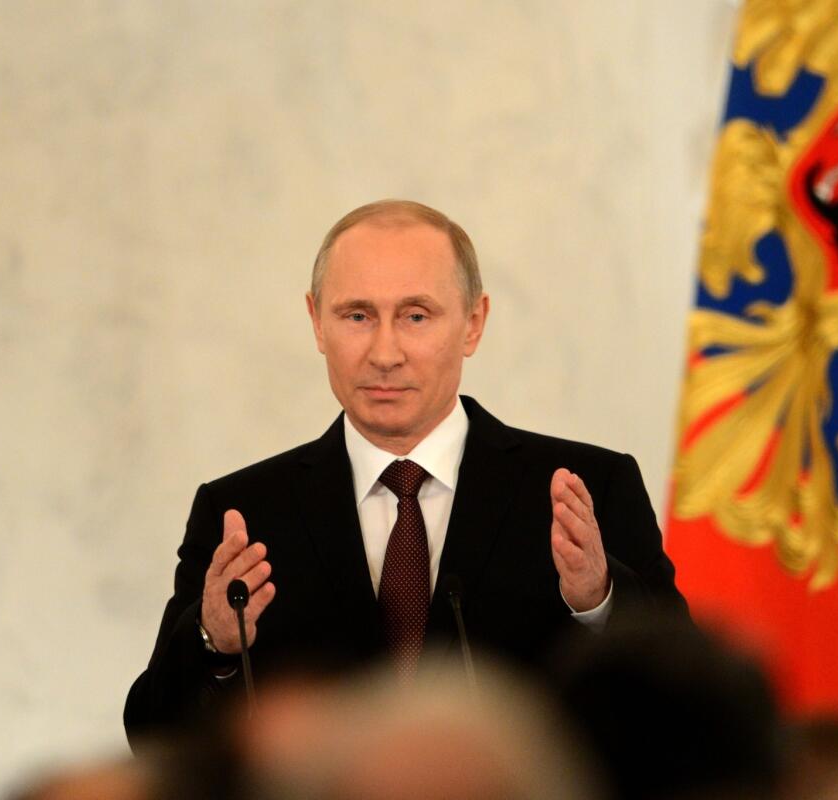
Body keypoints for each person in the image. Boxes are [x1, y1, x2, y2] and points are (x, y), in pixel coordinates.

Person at [124, 200, 687, 746]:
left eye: (416, 316)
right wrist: (213, 643)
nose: (385, 352)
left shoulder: (585, 488)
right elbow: (154, 738)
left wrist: (599, 601)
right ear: (317, 323)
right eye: (357, 316)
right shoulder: (244, 513)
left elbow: (689, 713)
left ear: (473, 323)